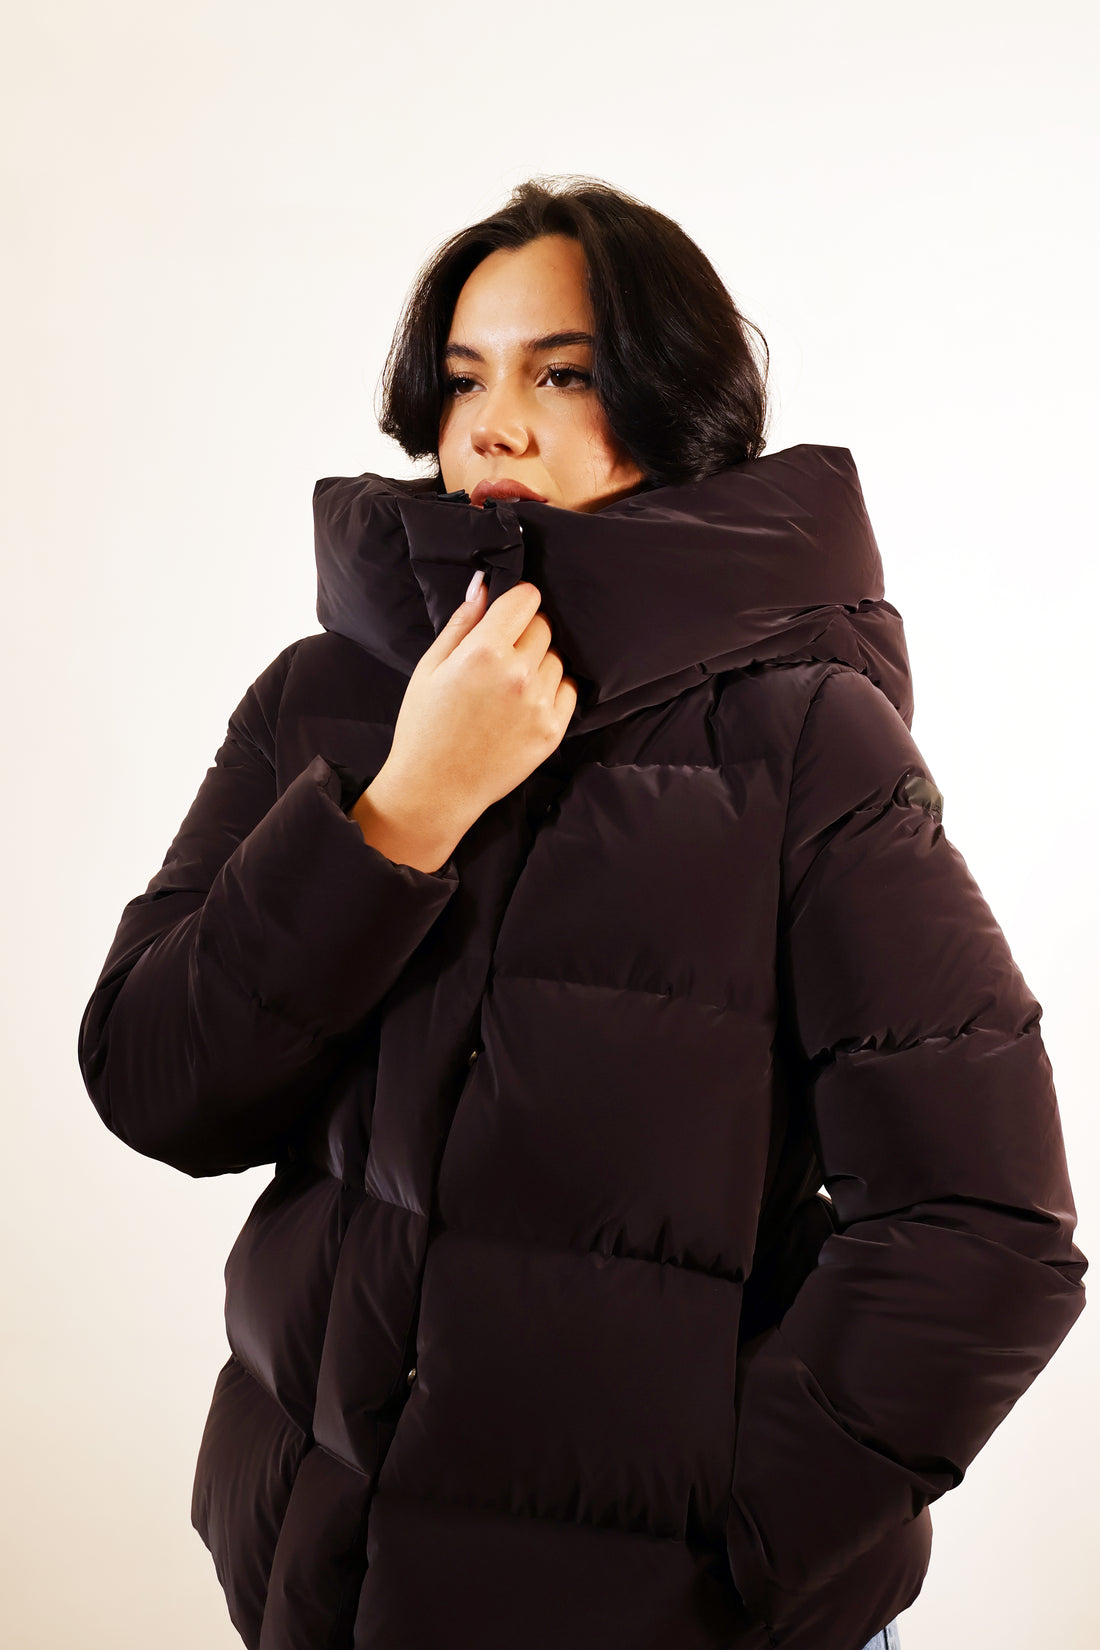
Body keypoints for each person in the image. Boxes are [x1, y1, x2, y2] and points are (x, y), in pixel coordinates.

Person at [77, 175, 1087, 1650]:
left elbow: (985, 1229)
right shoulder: (325, 699)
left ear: (677, 409)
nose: (495, 425)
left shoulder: (804, 739)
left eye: (563, 374)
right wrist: (401, 813)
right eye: (464, 378)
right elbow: (156, 1082)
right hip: (329, 1593)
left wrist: (719, 1556)